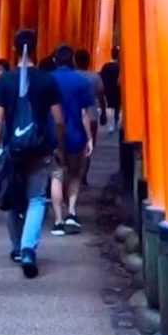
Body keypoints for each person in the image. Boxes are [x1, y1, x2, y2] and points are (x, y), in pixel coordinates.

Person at [0, 29, 64, 279]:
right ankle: (28, 248)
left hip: (12, 149)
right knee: (36, 199)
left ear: (13, 48)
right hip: (39, 147)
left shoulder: (5, 81)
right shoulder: (46, 80)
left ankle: (16, 247)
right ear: (36, 49)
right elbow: (58, 119)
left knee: (10, 196)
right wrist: (59, 146)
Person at [47, 44, 94, 236]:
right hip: (76, 134)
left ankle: (57, 220)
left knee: (56, 176)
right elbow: (85, 114)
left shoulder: (47, 80)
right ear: (72, 60)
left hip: (52, 134)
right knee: (75, 175)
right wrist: (90, 138)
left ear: (55, 60)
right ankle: (72, 213)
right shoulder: (82, 82)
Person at [75, 48, 106, 145]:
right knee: (89, 146)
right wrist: (103, 113)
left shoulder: (72, 76)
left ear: (74, 61)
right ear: (89, 61)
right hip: (92, 115)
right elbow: (101, 97)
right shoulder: (95, 77)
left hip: (74, 116)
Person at [99, 46, 121, 133]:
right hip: (117, 88)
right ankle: (116, 122)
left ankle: (111, 124)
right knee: (117, 105)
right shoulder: (120, 66)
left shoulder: (106, 66)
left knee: (110, 105)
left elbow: (101, 76)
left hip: (108, 88)